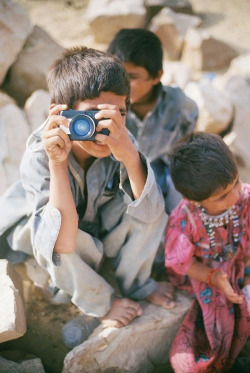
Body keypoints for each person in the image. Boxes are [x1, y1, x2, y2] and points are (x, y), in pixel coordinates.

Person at [0, 46, 175, 342]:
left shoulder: (120, 138)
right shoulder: (41, 154)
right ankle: (100, 303)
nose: (102, 129)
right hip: (45, 229)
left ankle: (135, 285)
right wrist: (57, 162)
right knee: (60, 236)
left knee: (150, 203)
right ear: (61, 114)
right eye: (90, 117)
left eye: (118, 113)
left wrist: (130, 157)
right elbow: (63, 241)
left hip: (97, 221)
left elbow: (150, 215)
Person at [165, 132, 250, 373]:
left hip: (242, 263)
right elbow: (181, 263)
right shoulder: (184, 219)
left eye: (236, 182)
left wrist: (248, 277)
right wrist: (215, 278)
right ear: (194, 200)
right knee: (216, 331)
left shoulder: (246, 198)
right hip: (206, 272)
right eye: (223, 196)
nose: (235, 195)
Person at [107, 28, 198, 214]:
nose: (121, 83)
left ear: (156, 76)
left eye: (131, 77)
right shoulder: (106, 105)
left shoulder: (181, 107)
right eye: (117, 73)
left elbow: (185, 155)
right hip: (116, 176)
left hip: (163, 177)